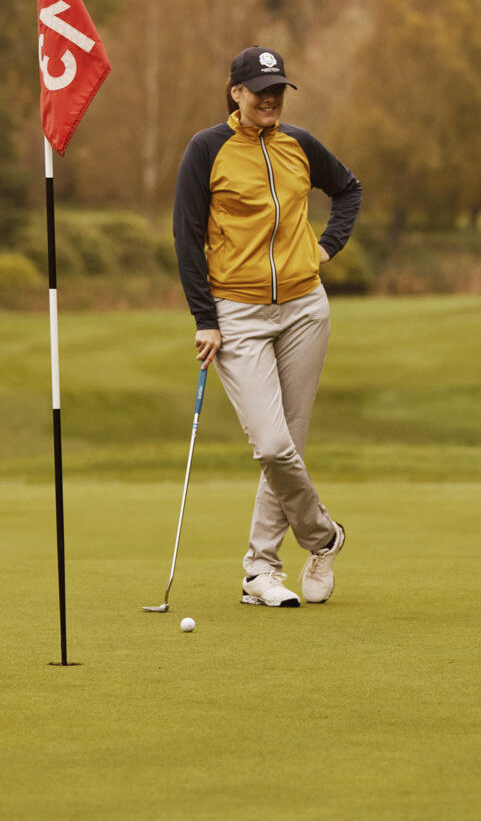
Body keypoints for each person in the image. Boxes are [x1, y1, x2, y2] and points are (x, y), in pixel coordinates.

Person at [173, 46, 362, 607]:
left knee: (292, 444)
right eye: (260, 89)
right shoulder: (207, 150)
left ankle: (261, 570)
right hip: (237, 313)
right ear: (235, 92)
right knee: (274, 446)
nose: (271, 98)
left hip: (305, 308)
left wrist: (325, 248)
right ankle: (324, 537)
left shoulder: (299, 145)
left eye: (278, 88)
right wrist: (204, 318)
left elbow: (349, 189)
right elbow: (186, 236)